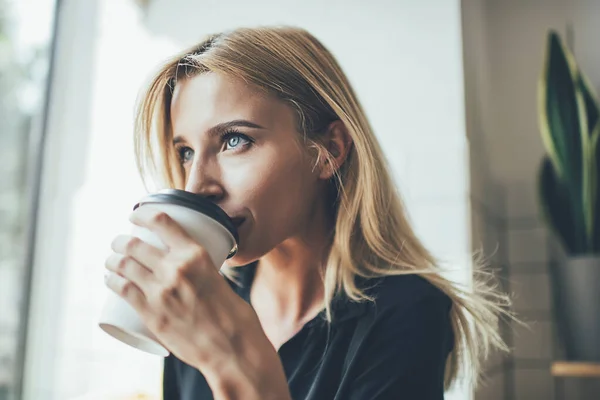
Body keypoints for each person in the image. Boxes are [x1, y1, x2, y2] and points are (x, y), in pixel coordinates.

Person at [103, 26, 511, 399]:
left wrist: (232, 362)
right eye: (186, 152)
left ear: (329, 150)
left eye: (234, 140)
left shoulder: (405, 313)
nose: (196, 186)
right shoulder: (201, 293)